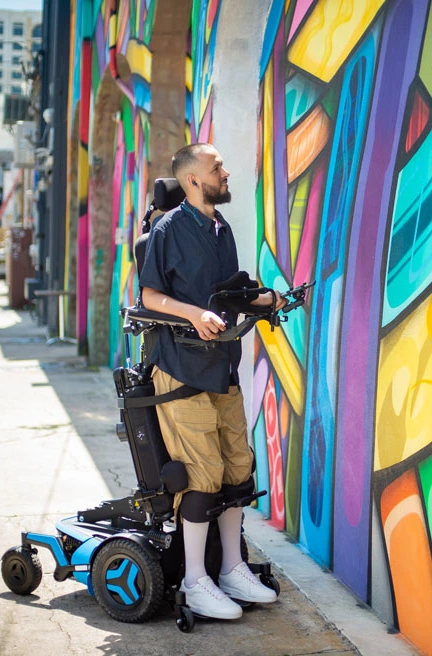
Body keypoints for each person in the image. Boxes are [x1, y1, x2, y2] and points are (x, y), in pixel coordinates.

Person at [139, 143, 284, 620]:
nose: (225, 171)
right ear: (193, 180)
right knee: (201, 476)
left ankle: (232, 569)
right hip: (180, 369)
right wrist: (193, 313)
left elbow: (228, 294)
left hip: (222, 368)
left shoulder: (222, 230)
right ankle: (196, 579)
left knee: (238, 470)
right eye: (216, 166)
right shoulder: (168, 229)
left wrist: (263, 300)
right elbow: (149, 295)